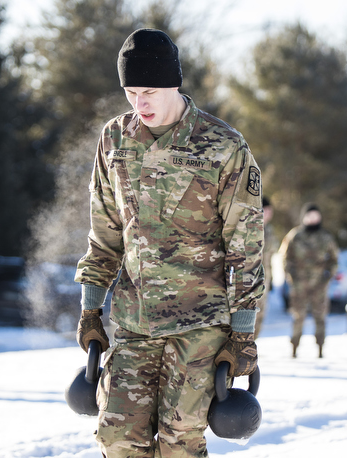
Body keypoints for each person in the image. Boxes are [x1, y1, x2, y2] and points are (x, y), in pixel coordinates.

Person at [74, 28, 264, 457]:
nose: (139, 104)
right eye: (129, 92)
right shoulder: (115, 140)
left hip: (201, 324)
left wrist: (243, 336)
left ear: (174, 84)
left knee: (180, 442)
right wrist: (89, 309)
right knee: (117, 438)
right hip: (134, 321)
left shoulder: (223, 147)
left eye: (149, 91)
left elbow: (246, 249)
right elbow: (104, 235)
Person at [278, 203, 339, 358]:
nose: (312, 219)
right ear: (304, 217)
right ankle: (294, 347)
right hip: (299, 284)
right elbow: (284, 257)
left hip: (320, 284)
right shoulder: (295, 235)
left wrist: (327, 276)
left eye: (315, 216)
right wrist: (290, 275)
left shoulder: (325, 237)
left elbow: (334, 259)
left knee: (320, 317)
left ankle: (320, 348)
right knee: (298, 316)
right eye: (309, 216)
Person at [254, 197, 277, 337]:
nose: (268, 214)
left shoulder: (270, 230)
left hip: (265, 281)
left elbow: (270, 258)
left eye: (269, 211)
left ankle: (251, 349)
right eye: (264, 210)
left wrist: (272, 279)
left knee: (260, 318)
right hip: (252, 282)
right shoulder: (251, 229)